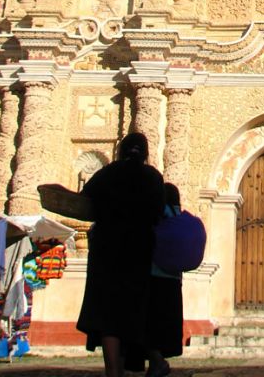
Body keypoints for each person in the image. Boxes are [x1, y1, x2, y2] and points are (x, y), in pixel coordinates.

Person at [76, 133, 164, 377]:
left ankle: (113, 370)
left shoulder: (108, 173)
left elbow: (84, 202)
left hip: (107, 249)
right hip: (139, 250)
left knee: (108, 313)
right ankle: (145, 361)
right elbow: (159, 212)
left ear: (121, 150)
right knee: (135, 308)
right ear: (146, 152)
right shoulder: (152, 177)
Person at [144, 183, 184, 377]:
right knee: (165, 321)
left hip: (154, 274)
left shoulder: (160, 212)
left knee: (149, 322)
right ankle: (157, 362)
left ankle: (156, 361)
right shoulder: (179, 214)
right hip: (174, 277)